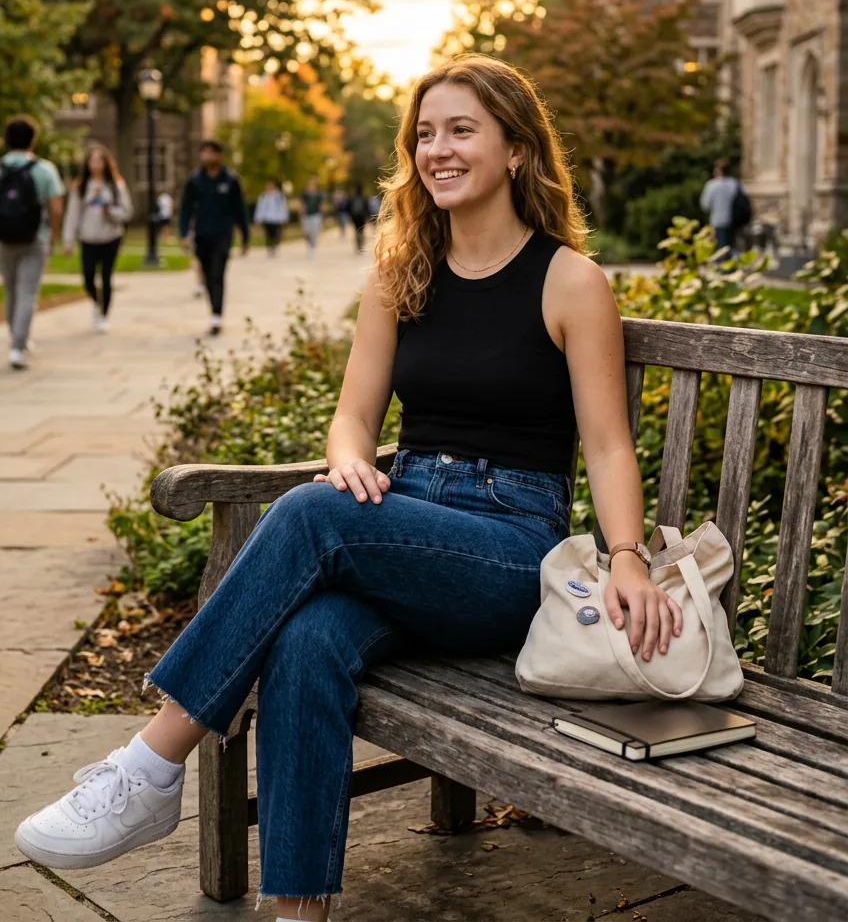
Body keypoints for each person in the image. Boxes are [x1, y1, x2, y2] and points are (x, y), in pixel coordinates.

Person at [14, 56, 682, 920]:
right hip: (407, 527)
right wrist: (350, 460)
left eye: (461, 131)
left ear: (517, 150)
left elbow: (605, 441)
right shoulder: (399, 275)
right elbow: (351, 421)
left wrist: (626, 554)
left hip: (511, 549)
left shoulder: (568, 281)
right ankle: (300, 914)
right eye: (426, 134)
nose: (437, 149)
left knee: (313, 518)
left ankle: (151, 764)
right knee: (307, 642)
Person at [0, 116, 64, 369]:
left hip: (4, 238)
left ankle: (16, 339)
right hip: (34, 236)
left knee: (11, 289)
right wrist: (54, 235)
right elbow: (56, 207)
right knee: (28, 291)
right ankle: (18, 347)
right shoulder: (43, 169)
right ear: (33, 140)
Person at [178, 140, 249, 335]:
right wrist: (184, 234)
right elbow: (185, 209)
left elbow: (239, 210)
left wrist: (245, 236)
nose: (207, 156)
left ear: (219, 155)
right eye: (204, 152)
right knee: (208, 275)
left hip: (223, 234)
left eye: (211, 152)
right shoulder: (194, 181)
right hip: (202, 234)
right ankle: (213, 309)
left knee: (218, 273)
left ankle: (217, 315)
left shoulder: (230, 180)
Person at [62, 144, 133, 334]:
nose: (96, 164)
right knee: (88, 277)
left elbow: (126, 212)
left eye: (99, 160)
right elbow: (73, 214)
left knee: (107, 277)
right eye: (92, 160)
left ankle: (103, 314)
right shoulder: (81, 187)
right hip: (88, 237)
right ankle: (97, 302)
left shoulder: (116, 185)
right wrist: (68, 239)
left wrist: (111, 212)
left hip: (111, 236)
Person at [700, 158, 749, 255]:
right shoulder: (736, 184)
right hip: (735, 221)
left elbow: (705, 205)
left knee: (721, 250)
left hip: (718, 221)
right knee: (734, 248)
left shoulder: (712, 185)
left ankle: (724, 269)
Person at [253, 180, 289, 256]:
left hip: (277, 219)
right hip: (267, 219)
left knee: (276, 234)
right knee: (268, 234)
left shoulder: (279, 196)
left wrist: (284, 218)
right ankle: (270, 247)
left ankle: (275, 246)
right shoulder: (263, 196)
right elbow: (260, 208)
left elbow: (283, 208)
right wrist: (258, 219)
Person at [299, 176, 325, 257]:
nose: (311, 187)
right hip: (306, 216)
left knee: (314, 232)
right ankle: (309, 246)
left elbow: (322, 206)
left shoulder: (318, 195)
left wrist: (322, 216)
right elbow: (300, 205)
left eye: (312, 186)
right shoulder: (304, 195)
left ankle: (313, 246)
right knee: (307, 232)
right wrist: (300, 214)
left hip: (316, 216)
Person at [347, 182, 370, 255]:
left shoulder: (352, 198)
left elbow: (348, 208)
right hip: (362, 217)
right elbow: (367, 208)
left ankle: (358, 246)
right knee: (362, 231)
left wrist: (350, 216)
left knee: (356, 231)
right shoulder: (364, 198)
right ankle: (361, 246)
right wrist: (367, 216)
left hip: (355, 217)